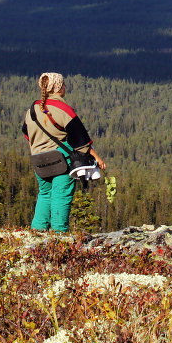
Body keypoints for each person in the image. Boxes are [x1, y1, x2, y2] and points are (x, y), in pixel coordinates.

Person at [21, 72, 106, 233]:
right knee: (61, 196)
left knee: (45, 194)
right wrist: (97, 158)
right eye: (64, 85)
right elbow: (81, 140)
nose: (65, 87)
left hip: (38, 161)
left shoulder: (32, 109)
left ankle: (37, 232)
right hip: (61, 161)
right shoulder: (62, 109)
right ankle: (59, 235)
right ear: (58, 88)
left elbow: (26, 134)